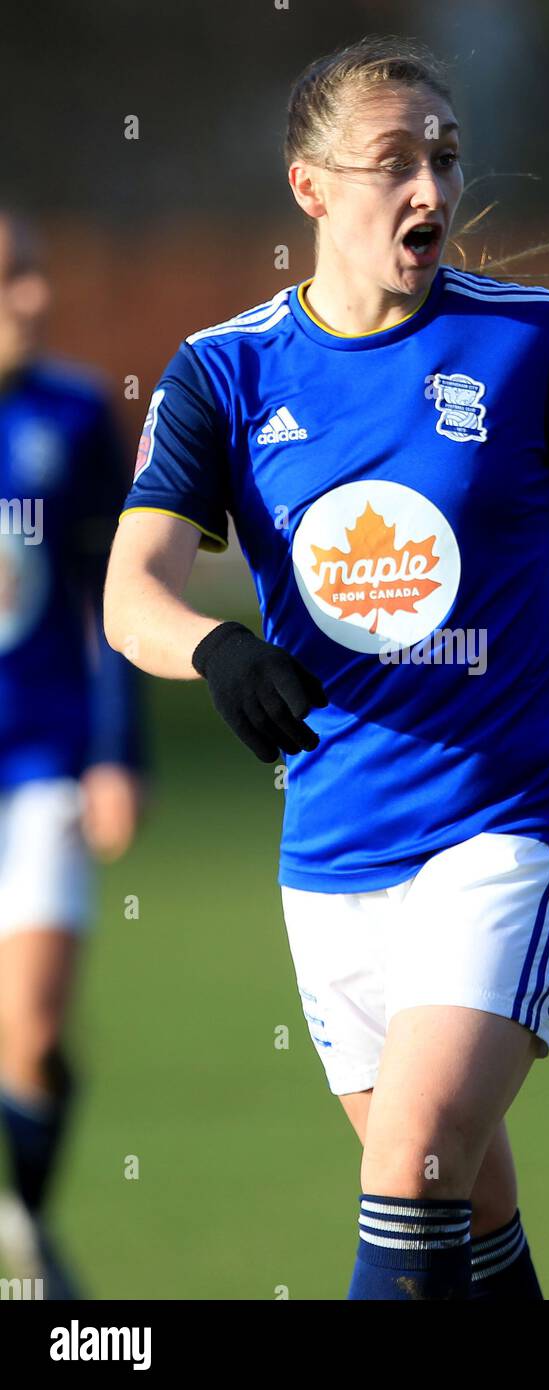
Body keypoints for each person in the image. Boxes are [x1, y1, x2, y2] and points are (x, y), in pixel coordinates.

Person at [103, 36, 549, 1301]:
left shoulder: (528, 340)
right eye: (394, 162)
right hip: (334, 847)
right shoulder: (223, 372)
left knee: (408, 1172)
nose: (431, 188)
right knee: (468, 1206)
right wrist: (216, 646)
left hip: (516, 815)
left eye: (446, 158)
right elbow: (129, 596)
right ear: (310, 189)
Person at [0, 209, 147, 1297]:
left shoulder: (78, 414)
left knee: (34, 1026)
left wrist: (114, 753)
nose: (34, 299)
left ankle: (25, 1226)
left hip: (46, 762)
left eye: (35, 275)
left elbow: (119, 593)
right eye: (10, 281)